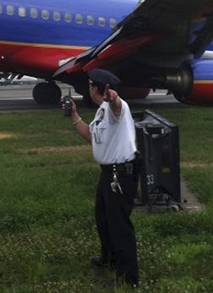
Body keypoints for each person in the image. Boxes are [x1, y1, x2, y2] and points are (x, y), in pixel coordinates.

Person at [67, 68, 140, 288]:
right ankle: (109, 258)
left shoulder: (117, 108)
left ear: (98, 89)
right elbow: (90, 135)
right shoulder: (101, 111)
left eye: (90, 86)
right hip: (108, 173)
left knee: (119, 224)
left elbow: (117, 106)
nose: (88, 89)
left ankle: (129, 276)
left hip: (121, 173)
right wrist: (73, 114)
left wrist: (114, 98)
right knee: (103, 218)